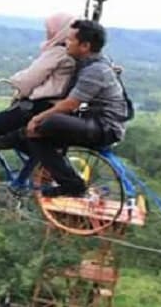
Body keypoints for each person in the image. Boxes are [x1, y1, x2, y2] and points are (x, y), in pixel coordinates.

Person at [0, 12, 77, 188]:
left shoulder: (57, 52)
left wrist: (15, 82)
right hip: (55, 107)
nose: (48, 32)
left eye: (51, 29)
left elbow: (31, 78)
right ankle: (42, 164)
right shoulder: (71, 54)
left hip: (40, 106)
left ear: (60, 30)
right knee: (21, 138)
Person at [23, 19, 130, 197]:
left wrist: (37, 118)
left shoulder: (95, 70)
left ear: (85, 46)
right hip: (96, 122)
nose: (67, 43)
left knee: (43, 126)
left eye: (71, 40)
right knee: (40, 132)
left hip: (105, 127)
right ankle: (57, 173)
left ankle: (71, 184)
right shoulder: (93, 62)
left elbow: (71, 104)